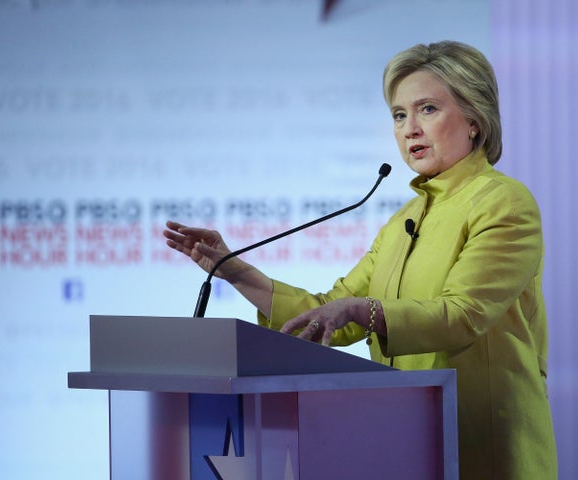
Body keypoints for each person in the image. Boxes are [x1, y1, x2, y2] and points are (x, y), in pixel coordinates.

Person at [164, 40, 557, 480]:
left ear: (474, 120)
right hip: (409, 443)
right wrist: (233, 269)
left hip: (484, 448)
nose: (410, 129)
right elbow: (332, 313)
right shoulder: (402, 221)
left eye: (427, 109)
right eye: (399, 114)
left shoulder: (503, 202)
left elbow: (462, 315)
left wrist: (360, 310)